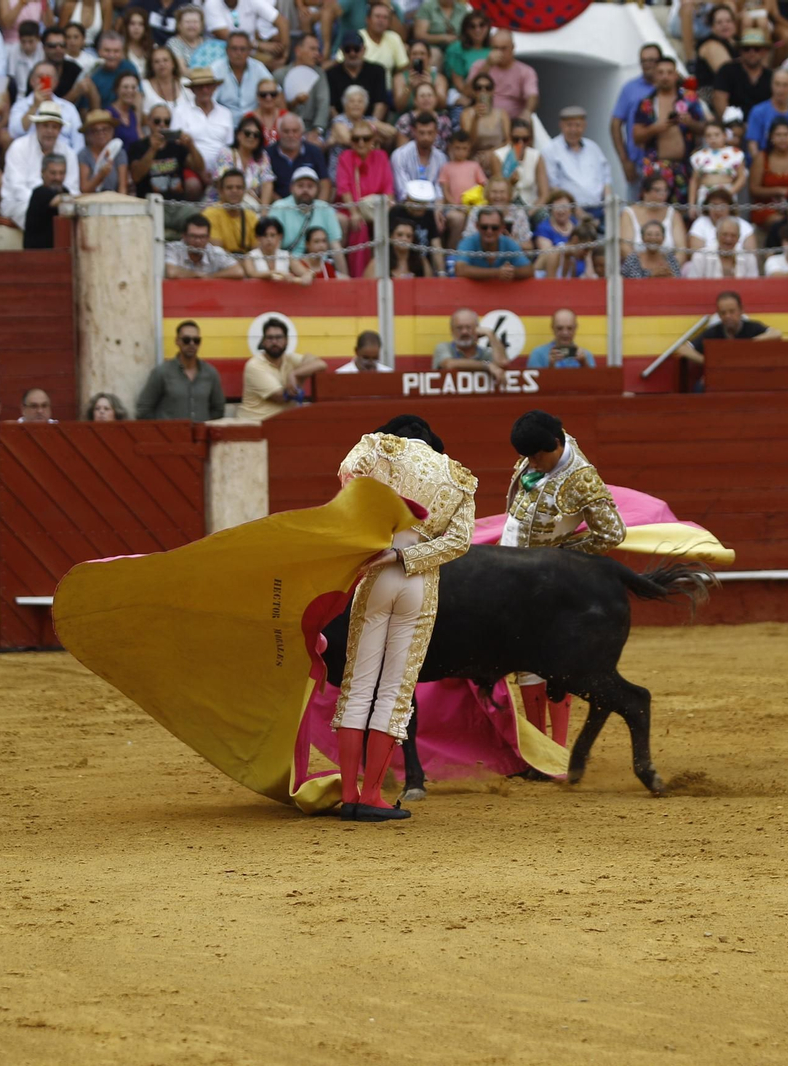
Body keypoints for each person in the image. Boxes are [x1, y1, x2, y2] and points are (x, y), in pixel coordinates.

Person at [332, 417, 478, 821]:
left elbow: (348, 475)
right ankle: (373, 796)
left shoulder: (379, 446)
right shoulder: (459, 477)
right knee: (394, 692)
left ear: (397, 434)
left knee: (358, 687)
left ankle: (349, 795)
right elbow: (459, 541)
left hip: (375, 569)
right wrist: (405, 556)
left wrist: (372, 532)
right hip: (418, 580)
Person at [498, 409, 624, 744]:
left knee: (549, 660)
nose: (531, 463)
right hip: (508, 574)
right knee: (522, 660)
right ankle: (538, 745)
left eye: (537, 456)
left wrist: (562, 556)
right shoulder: (538, 451)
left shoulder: (581, 478)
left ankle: (556, 748)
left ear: (555, 444)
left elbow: (613, 533)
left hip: (545, 582)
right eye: (527, 456)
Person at [634, 59, 707, 204]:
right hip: (656, 169)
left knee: (684, 211)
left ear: (675, 75)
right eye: (661, 73)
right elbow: (636, 137)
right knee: (655, 209)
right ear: (655, 75)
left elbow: (704, 129)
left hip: (685, 167)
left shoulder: (690, 99)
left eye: (669, 72)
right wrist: (656, 128)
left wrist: (690, 122)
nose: (665, 77)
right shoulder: (646, 103)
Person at [673, 290, 782, 384]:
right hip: (719, 377)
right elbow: (683, 349)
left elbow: (777, 333)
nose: (728, 316)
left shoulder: (752, 327)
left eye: (732, 311)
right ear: (719, 315)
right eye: (723, 313)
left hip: (749, 376)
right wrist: (708, 362)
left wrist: (751, 343)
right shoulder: (713, 331)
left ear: (741, 310)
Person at [1, 103, 81, 229]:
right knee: (42, 214)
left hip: (58, 203)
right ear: (37, 126)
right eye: (45, 125)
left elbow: (72, 188)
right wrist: (46, 202)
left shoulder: (68, 153)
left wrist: (57, 203)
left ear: (60, 130)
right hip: (19, 203)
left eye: (54, 127)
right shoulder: (19, 147)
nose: (50, 131)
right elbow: (18, 189)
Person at [238, 316, 327, 419]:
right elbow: (281, 397)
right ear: (263, 341)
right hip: (256, 423)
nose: (274, 342)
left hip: (283, 422)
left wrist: (294, 374)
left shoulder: (289, 358)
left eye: (279, 337)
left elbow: (321, 364)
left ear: (286, 341)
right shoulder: (254, 365)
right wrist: (301, 376)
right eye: (270, 338)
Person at [137, 320, 227, 419]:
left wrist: (203, 425)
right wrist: (163, 427)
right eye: (186, 340)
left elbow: (218, 409)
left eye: (196, 340)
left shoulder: (210, 373)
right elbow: (144, 409)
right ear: (177, 341)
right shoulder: (161, 373)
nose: (192, 344)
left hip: (201, 429)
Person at [612, 44, 668, 189]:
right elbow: (615, 124)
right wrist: (624, 161)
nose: (647, 64)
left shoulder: (672, 86)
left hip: (669, 163)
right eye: (643, 61)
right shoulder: (630, 88)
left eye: (652, 60)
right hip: (638, 164)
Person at [268, 166, 345, 259]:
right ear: (291, 188)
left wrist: (343, 269)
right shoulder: (279, 207)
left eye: (310, 186)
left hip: (320, 263)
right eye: (300, 186)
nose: (305, 190)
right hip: (288, 262)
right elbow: (274, 246)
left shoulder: (325, 208)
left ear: (317, 189)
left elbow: (335, 245)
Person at [10, 58, 86, 151]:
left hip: (62, 156)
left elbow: (78, 142)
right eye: (40, 77)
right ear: (32, 81)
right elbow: (14, 132)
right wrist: (34, 106)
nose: (44, 81)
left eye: (48, 77)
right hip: (29, 155)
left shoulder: (69, 108)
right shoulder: (20, 105)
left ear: (56, 83)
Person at [131, 104, 206, 198]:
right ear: (148, 122)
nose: (162, 125)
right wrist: (152, 150)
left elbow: (199, 167)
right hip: (150, 202)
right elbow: (136, 177)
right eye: (157, 121)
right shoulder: (138, 146)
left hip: (176, 202)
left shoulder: (176, 146)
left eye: (167, 121)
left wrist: (191, 146)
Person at [543, 106, 612, 209]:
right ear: (561, 125)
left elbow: (606, 179)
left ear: (584, 125)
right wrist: (577, 212)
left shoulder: (593, 148)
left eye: (578, 125)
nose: (573, 130)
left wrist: (609, 206)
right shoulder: (550, 150)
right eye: (569, 125)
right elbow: (553, 186)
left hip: (599, 208)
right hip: (568, 211)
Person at [173, 68, 235, 181]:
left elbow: (228, 145)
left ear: (214, 88)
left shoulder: (226, 113)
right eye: (199, 87)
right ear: (192, 90)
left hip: (222, 169)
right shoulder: (180, 111)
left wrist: (219, 173)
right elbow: (176, 145)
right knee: (193, 185)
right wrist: (200, 171)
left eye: (208, 86)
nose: (204, 90)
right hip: (191, 165)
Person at [749, 121, 788, 227]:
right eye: (778, 135)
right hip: (767, 208)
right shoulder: (762, 157)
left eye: (786, 135)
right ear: (771, 137)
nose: (782, 138)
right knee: (779, 221)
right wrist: (777, 191)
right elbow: (754, 189)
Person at [467, 31, 539, 121]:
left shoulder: (525, 71)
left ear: (512, 47)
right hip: (483, 119)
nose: (499, 52)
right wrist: (488, 65)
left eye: (503, 48)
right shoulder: (479, 66)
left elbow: (532, 96)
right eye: (495, 48)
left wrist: (527, 112)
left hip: (513, 120)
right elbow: (467, 92)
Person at [274, 35, 330, 140]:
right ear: (298, 51)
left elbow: (323, 102)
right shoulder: (280, 75)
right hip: (285, 130)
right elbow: (276, 107)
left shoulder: (319, 74)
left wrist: (317, 130)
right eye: (312, 49)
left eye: (318, 49)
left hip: (311, 129)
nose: (317, 53)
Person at [326, 32, 391, 122]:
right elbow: (331, 106)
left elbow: (380, 103)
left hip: (371, 124)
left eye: (356, 49)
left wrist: (371, 126)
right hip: (341, 124)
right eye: (347, 50)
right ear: (341, 50)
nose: (352, 53)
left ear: (364, 49)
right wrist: (340, 124)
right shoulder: (331, 73)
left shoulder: (377, 71)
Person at [210, 30, 273, 121]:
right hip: (224, 121)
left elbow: (276, 92)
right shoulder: (216, 68)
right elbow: (210, 100)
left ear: (249, 51)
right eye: (234, 49)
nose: (238, 53)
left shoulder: (258, 67)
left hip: (254, 122)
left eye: (242, 49)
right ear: (227, 50)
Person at [433, 307, 510, 381]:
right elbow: (449, 364)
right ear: (452, 330)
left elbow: (503, 363)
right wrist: (486, 365)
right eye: (459, 328)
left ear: (477, 329)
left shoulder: (485, 353)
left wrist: (490, 334)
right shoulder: (444, 347)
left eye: (468, 327)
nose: (464, 332)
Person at [204, 0, 288, 67]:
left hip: (251, 51)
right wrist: (259, 45)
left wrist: (284, 54)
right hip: (223, 54)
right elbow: (228, 37)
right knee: (268, 64)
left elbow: (282, 22)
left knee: (276, 64)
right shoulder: (211, 4)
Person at [713, 29, 774, 120]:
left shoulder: (770, 76)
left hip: (763, 125)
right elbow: (720, 101)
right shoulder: (727, 71)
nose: (751, 53)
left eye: (756, 49)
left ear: (764, 51)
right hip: (733, 124)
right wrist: (732, 124)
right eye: (746, 48)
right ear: (740, 51)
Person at [269, 113, 330, 200]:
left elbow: (324, 183)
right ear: (279, 133)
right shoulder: (268, 154)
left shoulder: (314, 152)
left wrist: (320, 205)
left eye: (295, 131)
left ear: (302, 132)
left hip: (311, 204)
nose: (291, 135)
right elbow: (265, 186)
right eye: (286, 131)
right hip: (277, 205)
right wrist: (282, 205)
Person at [166, 212, 247, 277]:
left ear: (208, 238)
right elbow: (172, 272)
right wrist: (197, 275)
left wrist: (209, 277)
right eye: (193, 236)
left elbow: (238, 271)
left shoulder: (215, 252)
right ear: (184, 236)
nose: (198, 241)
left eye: (202, 237)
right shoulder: (173, 248)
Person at [202, 168, 259, 252]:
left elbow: (257, 251)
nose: (234, 191)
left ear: (244, 191)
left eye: (239, 187)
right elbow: (217, 252)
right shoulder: (210, 214)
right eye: (229, 187)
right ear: (221, 191)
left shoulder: (251, 216)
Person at [243, 216, 313, 283]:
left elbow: (306, 272)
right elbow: (252, 273)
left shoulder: (286, 256)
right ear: (258, 237)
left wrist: (308, 275)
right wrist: (277, 273)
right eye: (265, 235)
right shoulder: (250, 256)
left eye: (272, 235)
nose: (269, 239)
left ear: (280, 236)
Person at [23, 152, 71, 247]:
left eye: (61, 173)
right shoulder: (40, 192)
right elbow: (56, 201)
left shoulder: (65, 191)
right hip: (39, 252)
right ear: (43, 172)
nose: (58, 178)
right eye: (53, 173)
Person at [443, 10, 493, 101]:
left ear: (488, 27)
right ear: (466, 29)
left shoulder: (494, 47)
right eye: (472, 26)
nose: (477, 30)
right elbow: (459, 86)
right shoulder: (456, 48)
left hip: (493, 95)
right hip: (464, 96)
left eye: (482, 25)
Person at [78, 109, 130, 193]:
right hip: (91, 199)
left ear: (112, 131)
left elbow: (123, 187)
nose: (101, 133)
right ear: (88, 135)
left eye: (105, 129)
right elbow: (84, 189)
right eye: (95, 130)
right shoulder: (84, 154)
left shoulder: (119, 153)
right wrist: (100, 175)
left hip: (114, 198)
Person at [526, 310, 597, 369]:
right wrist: (551, 366)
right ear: (552, 328)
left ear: (575, 328)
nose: (565, 333)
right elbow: (537, 381)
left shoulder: (585, 355)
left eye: (569, 328)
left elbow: (593, 381)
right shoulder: (538, 354)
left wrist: (584, 364)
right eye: (559, 328)